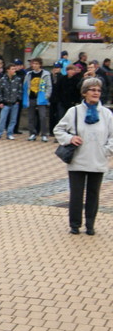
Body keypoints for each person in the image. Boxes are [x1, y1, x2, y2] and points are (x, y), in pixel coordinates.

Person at [54, 77, 113, 236]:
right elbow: (58, 130)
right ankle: (75, 224)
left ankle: (90, 224)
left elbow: (112, 136)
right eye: (92, 90)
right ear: (84, 92)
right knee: (76, 194)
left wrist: (106, 150)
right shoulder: (74, 111)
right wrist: (70, 139)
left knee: (93, 194)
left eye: (98, 90)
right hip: (78, 159)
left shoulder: (106, 114)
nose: (96, 93)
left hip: (98, 159)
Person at [22, 57, 52, 142]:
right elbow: (25, 86)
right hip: (31, 97)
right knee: (31, 117)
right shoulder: (29, 74)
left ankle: (44, 134)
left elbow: (49, 86)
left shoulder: (45, 74)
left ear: (40, 65)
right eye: (33, 64)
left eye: (36, 64)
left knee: (42, 117)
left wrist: (46, 96)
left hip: (41, 98)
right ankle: (32, 133)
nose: (34, 65)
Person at [0, 63, 23, 140]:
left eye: (14, 69)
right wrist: (0, 101)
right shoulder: (3, 79)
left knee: (13, 119)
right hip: (5, 102)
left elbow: (19, 90)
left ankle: (10, 133)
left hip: (14, 102)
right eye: (12, 69)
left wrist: (18, 99)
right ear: (8, 70)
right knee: (2, 118)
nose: (14, 70)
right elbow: (0, 91)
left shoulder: (18, 79)